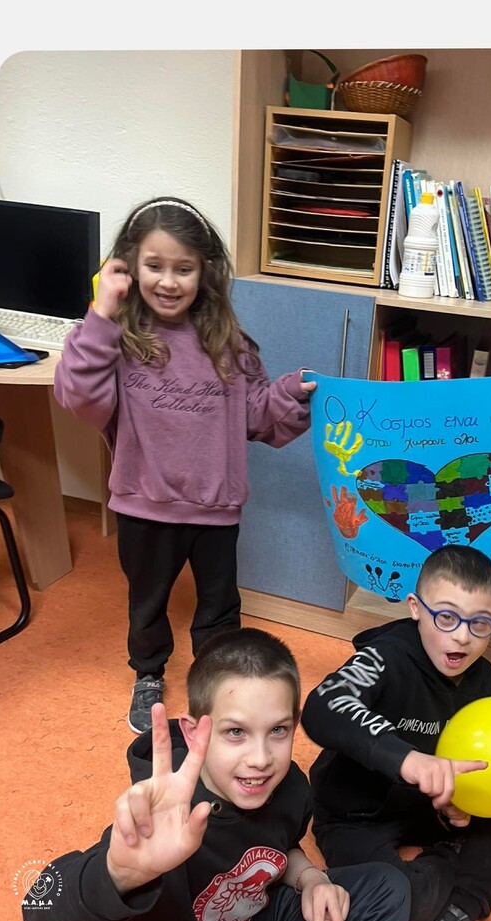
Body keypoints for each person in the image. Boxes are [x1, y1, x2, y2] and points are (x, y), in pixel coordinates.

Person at [53, 197, 316, 734]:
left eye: (183, 268)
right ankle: (148, 673)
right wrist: (102, 313)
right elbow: (77, 395)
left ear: (206, 272)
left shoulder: (228, 344)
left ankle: (220, 683)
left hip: (216, 509)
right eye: (155, 266)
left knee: (219, 608)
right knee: (147, 603)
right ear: (129, 267)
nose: (169, 281)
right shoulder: (118, 340)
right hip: (143, 506)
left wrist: (292, 392)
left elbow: (258, 416)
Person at [21, 627, 411, 921]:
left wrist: (310, 878)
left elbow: (282, 848)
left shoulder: (291, 785)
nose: (261, 759)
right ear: (194, 733)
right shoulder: (164, 818)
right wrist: (120, 874)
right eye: (235, 732)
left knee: (388, 887)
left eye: (277, 730)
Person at [300, 545, 491, 921]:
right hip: (355, 814)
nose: (462, 636)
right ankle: (472, 862)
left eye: (480, 623)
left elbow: (476, 761)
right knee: (393, 904)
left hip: (428, 805)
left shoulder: (483, 681)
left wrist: (459, 808)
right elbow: (322, 705)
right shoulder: (384, 656)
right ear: (415, 608)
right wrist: (406, 759)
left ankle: (460, 908)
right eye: (446, 617)